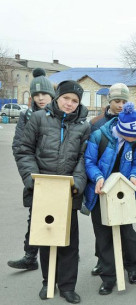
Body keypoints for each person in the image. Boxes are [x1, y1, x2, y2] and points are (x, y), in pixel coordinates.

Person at [15, 80, 90, 303]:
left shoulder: (84, 126)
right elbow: (24, 150)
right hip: (42, 188)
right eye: (66, 98)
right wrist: (32, 179)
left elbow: (83, 158)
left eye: (75, 101)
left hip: (68, 192)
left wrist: (77, 182)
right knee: (46, 236)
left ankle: (67, 286)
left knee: (68, 240)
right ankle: (48, 282)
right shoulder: (38, 119)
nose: (69, 104)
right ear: (57, 97)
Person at [83, 102, 136, 295]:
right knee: (103, 236)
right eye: (134, 136)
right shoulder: (99, 136)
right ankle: (108, 276)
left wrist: (135, 175)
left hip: (122, 191)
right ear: (122, 129)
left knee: (128, 233)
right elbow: (89, 161)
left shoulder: (135, 140)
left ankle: (133, 266)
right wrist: (98, 177)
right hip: (101, 192)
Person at [8, 68, 55, 271]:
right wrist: (29, 176)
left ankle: (65, 251)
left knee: (61, 215)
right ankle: (30, 256)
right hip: (36, 175)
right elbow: (19, 146)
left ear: (51, 95)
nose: (40, 98)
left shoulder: (60, 113)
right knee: (35, 215)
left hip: (57, 173)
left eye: (44, 94)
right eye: (36, 95)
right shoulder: (26, 116)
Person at [87, 82, 130, 276]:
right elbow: (89, 156)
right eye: (117, 101)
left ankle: (126, 263)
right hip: (101, 183)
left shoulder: (133, 122)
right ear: (109, 101)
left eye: (123, 101)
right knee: (102, 228)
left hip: (123, 184)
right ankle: (103, 263)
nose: (120, 105)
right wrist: (95, 177)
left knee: (124, 227)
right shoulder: (97, 124)